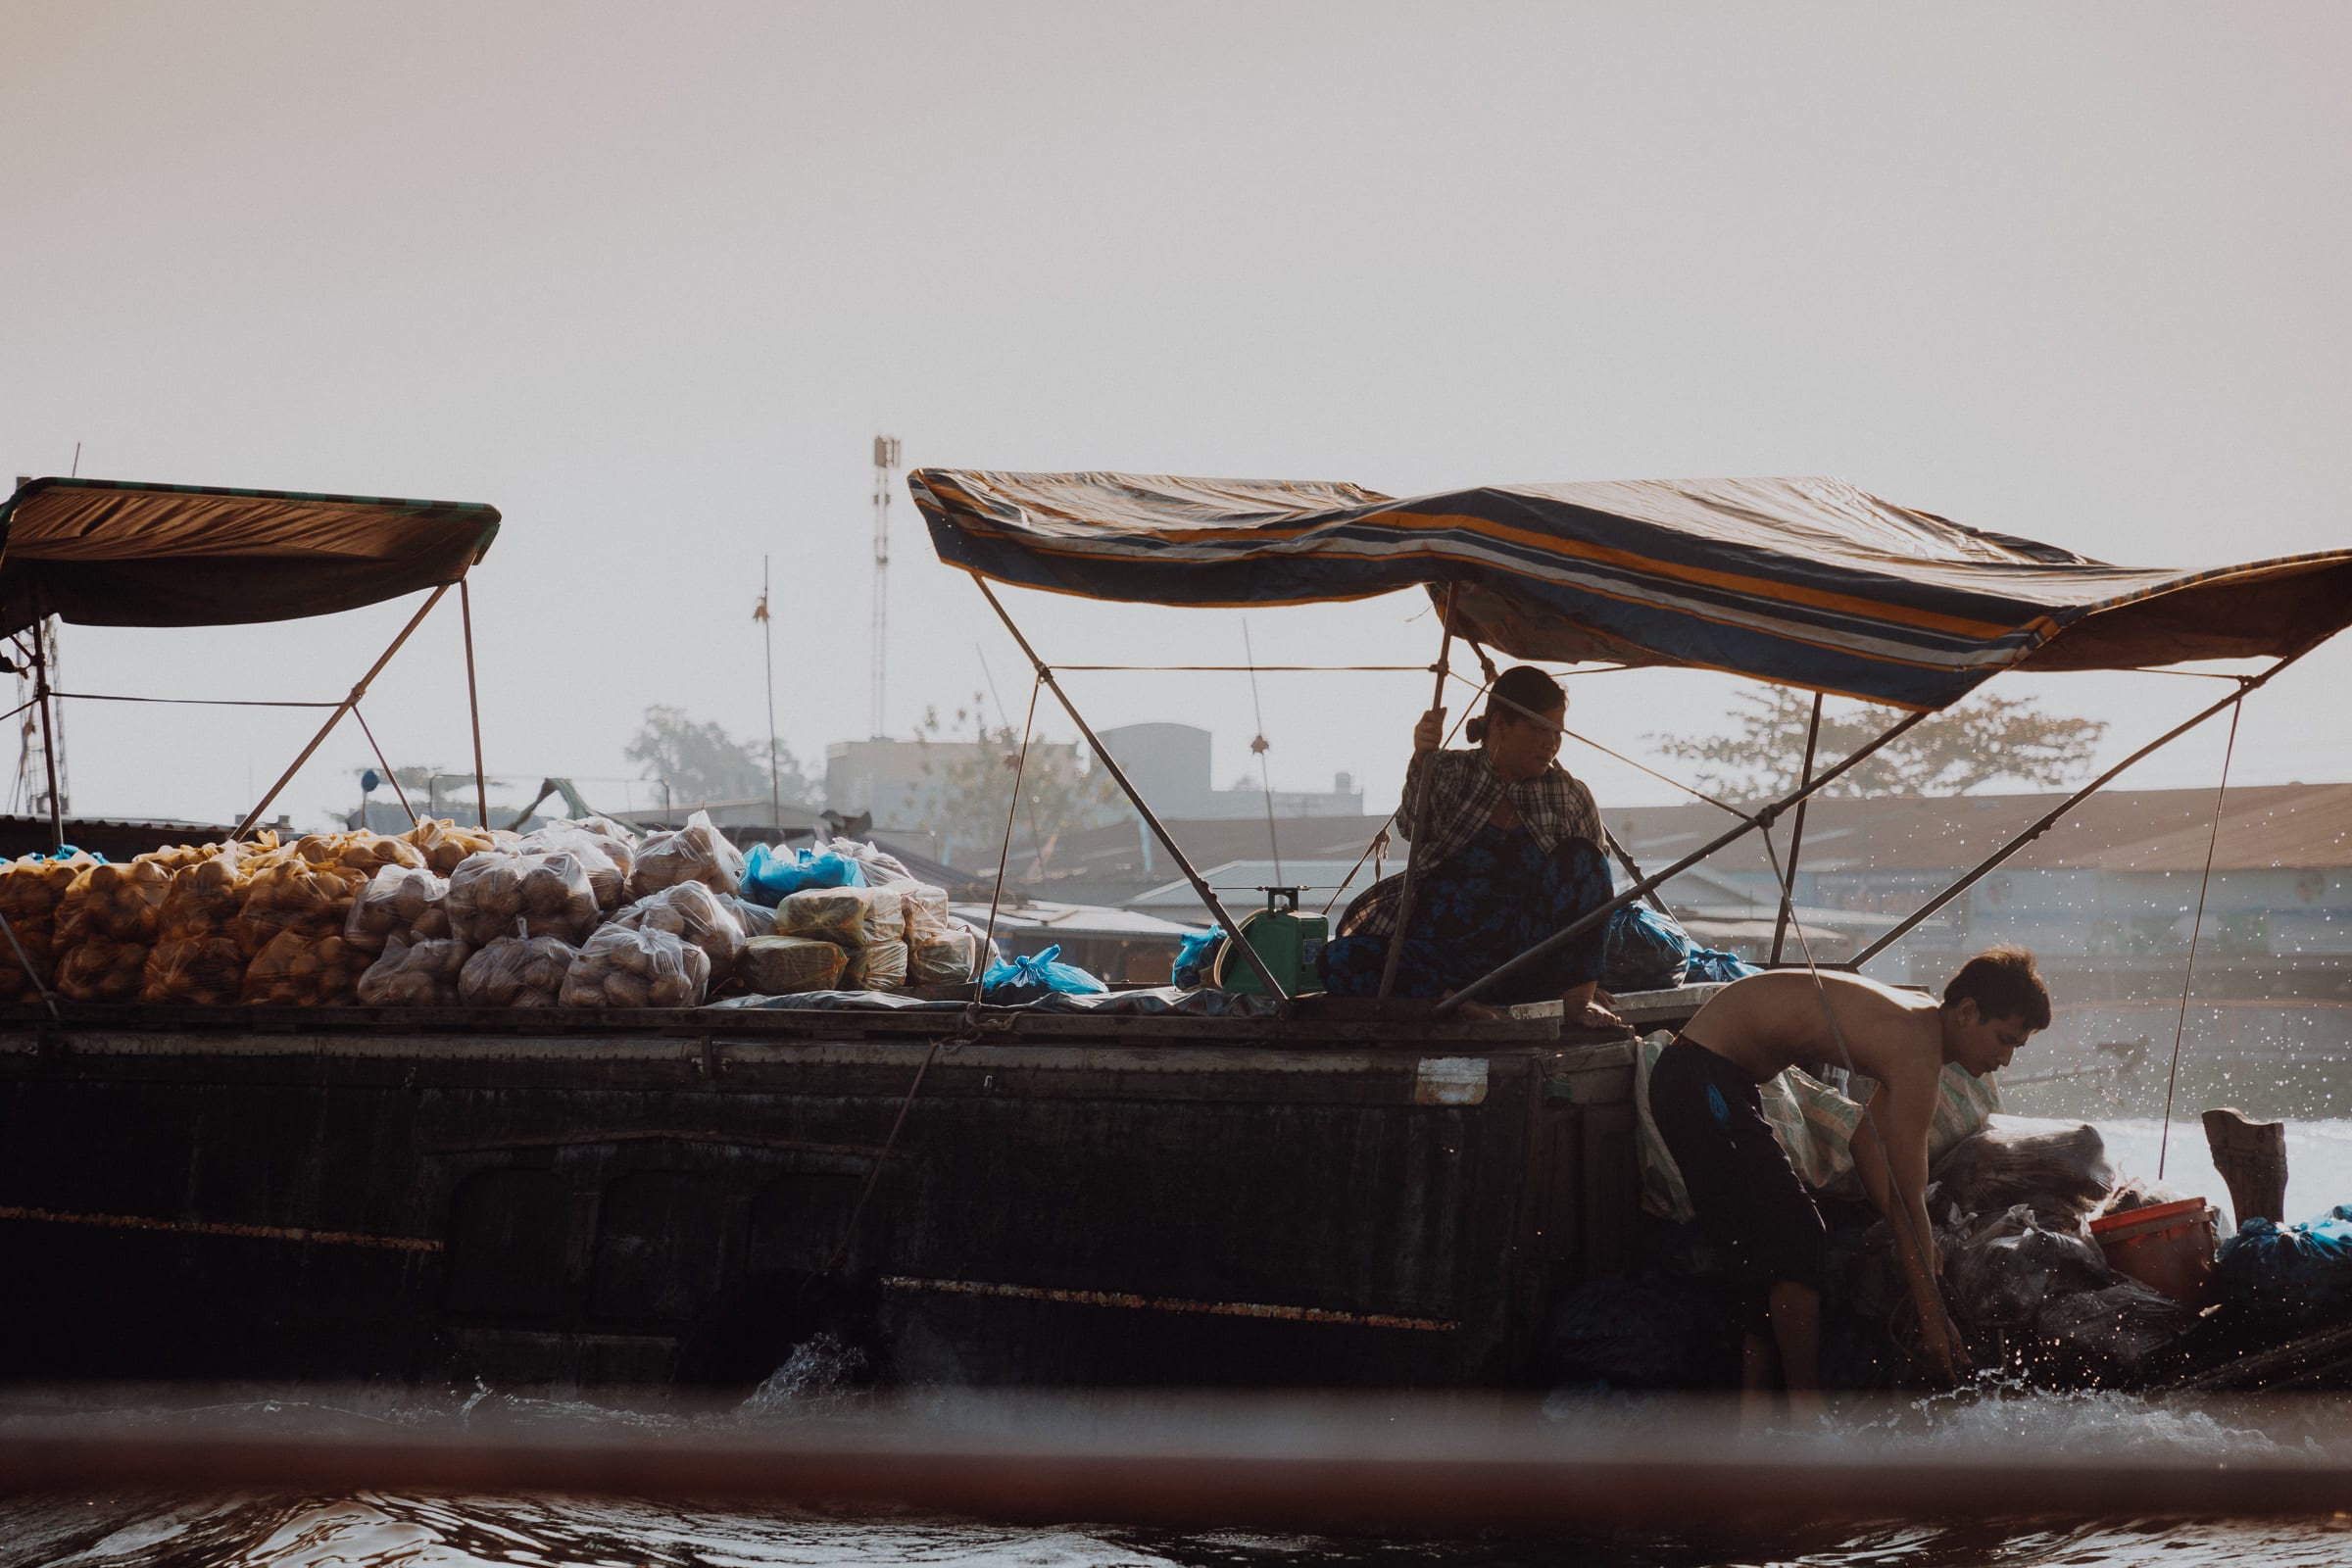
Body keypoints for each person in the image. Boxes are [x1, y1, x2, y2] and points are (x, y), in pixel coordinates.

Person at [1647, 947, 2051, 1416]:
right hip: (1700, 1078)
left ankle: (1754, 1423)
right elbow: (1907, 1201)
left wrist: (1914, 1245)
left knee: (1756, 1256)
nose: (2005, 1059)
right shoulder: (1918, 1053)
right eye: (2003, 1039)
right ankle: (1807, 1416)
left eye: (2016, 1048)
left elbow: (1865, 1146)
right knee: (1798, 1235)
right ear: (1967, 1012)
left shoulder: (1918, 1029)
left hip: (1711, 1081)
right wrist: (1934, 1316)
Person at [1320, 665, 1623, 1027]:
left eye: (1557, 733)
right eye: (1539, 730)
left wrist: (1580, 983)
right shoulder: (1450, 772)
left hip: (1528, 959)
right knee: (1337, 958)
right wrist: (1421, 757)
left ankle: (1579, 1003)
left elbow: (1593, 890)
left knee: (1584, 858)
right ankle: (1456, 1006)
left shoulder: (1570, 794)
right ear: (1499, 726)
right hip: (1445, 962)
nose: (1550, 744)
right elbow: (1412, 824)